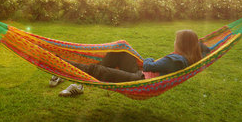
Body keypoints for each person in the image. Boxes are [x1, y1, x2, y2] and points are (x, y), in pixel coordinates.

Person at [62, 30, 209, 84]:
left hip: (140, 81)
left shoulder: (174, 60)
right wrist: (198, 44)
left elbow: (148, 65)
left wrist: (149, 59)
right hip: (140, 76)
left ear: (182, 45)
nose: (174, 42)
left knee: (98, 70)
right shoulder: (188, 58)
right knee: (121, 49)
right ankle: (83, 79)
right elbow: (205, 50)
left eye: (176, 40)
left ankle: (62, 63)